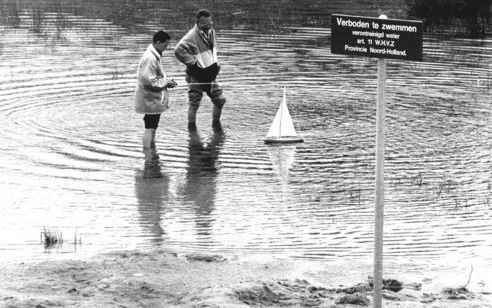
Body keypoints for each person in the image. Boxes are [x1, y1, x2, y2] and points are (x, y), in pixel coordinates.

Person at [175, 9, 226, 131]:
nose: (208, 26)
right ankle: (192, 133)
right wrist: (193, 62)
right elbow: (178, 50)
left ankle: (216, 127)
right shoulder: (191, 36)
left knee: (220, 100)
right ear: (197, 23)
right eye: (205, 24)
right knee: (194, 103)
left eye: (210, 23)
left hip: (209, 75)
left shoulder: (211, 31)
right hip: (196, 76)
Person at [135, 30, 177, 148]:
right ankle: (148, 156)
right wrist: (166, 83)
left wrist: (166, 82)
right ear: (158, 42)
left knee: (152, 127)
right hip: (149, 98)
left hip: (152, 98)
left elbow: (153, 78)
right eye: (165, 45)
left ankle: (151, 152)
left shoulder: (154, 55)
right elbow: (148, 81)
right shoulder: (150, 58)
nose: (166, 48)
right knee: (150, 128)